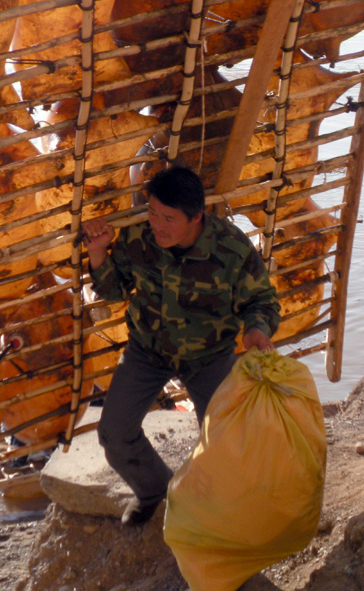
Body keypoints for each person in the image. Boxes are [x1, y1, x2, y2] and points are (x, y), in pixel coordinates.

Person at [83, 165, 280, 527]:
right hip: (147, 351)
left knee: (225, 444)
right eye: (153, 213)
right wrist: (98, 254)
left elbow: (263, 301)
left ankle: (222, 517)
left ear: (196, 218)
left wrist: (256, 328)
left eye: (168, 218)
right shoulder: (139, 238)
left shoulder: (231, 249)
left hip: (209, 357)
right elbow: (115, 290)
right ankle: (155, 490)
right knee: (114, 434)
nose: (157, 225)